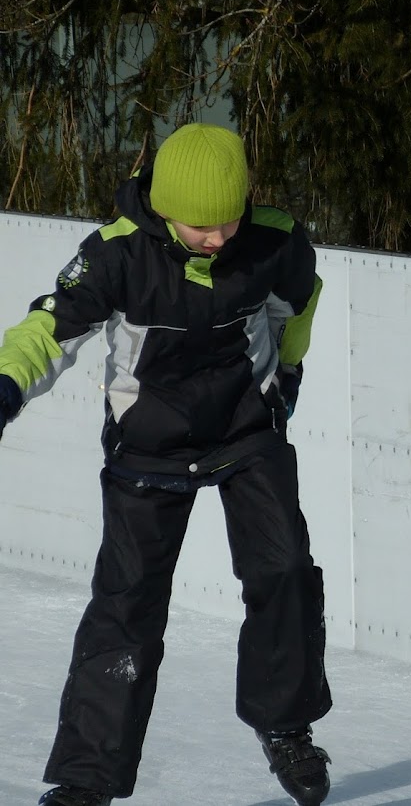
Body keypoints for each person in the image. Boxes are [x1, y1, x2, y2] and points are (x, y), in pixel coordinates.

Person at [0, 123, 333, 806]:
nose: (218, 238)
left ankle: (285, 723)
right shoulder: (118, 255)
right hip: (148, 444)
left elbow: (295, 305)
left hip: (245, 428)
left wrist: (288, 373)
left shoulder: (274, 240)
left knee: (286, 569)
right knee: (127, 608)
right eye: (200, 226)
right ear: (163, 205)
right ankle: (85, 780)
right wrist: (6, 386)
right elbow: (48, 330)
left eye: (228, 221)